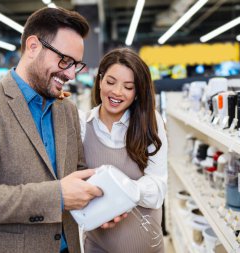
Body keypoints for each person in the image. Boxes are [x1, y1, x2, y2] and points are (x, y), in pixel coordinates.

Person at [0, 7, 103, 253]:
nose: (71, 73)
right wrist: (57, 196)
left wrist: (104, 202)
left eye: (77, 65)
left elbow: (78, 173)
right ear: (33, 47)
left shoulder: (67, 110)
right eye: (65, 61)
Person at [79, 48, 168, 253]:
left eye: (128, 87)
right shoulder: (83, 125)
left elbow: (157, 190)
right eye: (110, 82)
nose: (117, 92)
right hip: (97, 246)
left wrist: (119, 196)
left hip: (146, 245)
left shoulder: (150, 123)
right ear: (99, 80)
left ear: (137, 93)